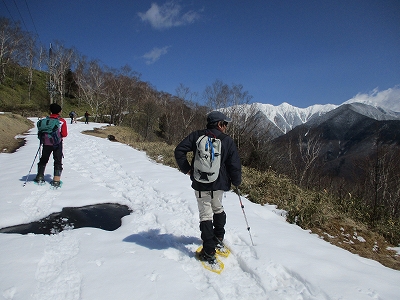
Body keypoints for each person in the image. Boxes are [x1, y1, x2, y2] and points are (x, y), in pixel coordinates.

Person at [174, 111, 242, 263]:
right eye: (225, 124)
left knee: (205, 215)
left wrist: (187, 170)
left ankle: (209, 252)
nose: (226, 127)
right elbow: (234, 165)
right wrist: (236, 181)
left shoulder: (196, 136)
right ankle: (218, 237)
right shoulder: (227, 141)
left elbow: (179, 150)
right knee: (218, 208)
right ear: (219, 124)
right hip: (219, 183)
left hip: (200, 182)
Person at [34, 103, 68, 187]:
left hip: (46, 143)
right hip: (57, 143)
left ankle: (40, 176)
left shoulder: (46, 120)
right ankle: (56, 180)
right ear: (59, 111)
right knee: (57, 160)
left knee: (44, 159)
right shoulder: (62, 121)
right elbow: (64, 134)